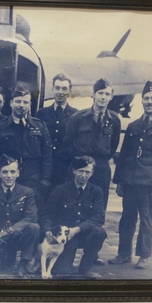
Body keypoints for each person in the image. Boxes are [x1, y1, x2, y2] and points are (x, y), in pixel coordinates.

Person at [109, 81, 152, 269]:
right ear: (142, 101)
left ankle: (144, 256)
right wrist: (119, 181)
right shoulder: (133, 125)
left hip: (149, 182)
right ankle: (123, 253)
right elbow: (124, 155)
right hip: (130, 180)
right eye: (146, 99)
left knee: (146, 219)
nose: (149, 102)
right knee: (127, 218)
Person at [41, 156, 107, 278]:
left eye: (87, 172)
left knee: (99, 232)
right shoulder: (60, 190)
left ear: (92, 173)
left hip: (84, 234)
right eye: (80, 171)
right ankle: (66, 262)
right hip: (64, 238)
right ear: (74, 171)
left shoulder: (96, 191)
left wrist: (78, 229)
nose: (83, 175)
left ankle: (86, 267)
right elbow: (47, 214)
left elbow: (99, 216)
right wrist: (47, 231)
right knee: (62, 272)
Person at [0, 85, 52, 206]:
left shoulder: (39, 126)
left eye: (25, 102)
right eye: (18, 101)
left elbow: (47, 155)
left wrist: (45, 179)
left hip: (33, 180)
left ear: (29, 105)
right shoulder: (0, 128)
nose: (21, 105)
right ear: (11, 103)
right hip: (8, 179)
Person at [63, 78, 121, 210]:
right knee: (75, 205)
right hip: (80, 166)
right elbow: (67, 144)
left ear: (111, 97)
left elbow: (113, 145)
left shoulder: (114, 120)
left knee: (98, 206)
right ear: (93, 95)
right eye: (100, 93)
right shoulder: (78, 118)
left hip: (101, 169)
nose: (103, 97)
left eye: (107, 94)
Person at [0, 155, 40, 276]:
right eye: (5, 172)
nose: (9, 176)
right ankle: (4, 259)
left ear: (18, 173)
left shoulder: (27, 192)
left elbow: (31, 217)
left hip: (18, 236)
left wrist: (9, 231)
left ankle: (22, 264)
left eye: (12, 172)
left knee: (34, 227)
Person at [36, 73, 78, 188]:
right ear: (52, 89)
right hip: (44, 169)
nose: (60, 92)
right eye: (57, 88)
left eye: (64, 88)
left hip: (65, 169)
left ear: (69, 91)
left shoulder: (76, 115)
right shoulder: (42, 113)